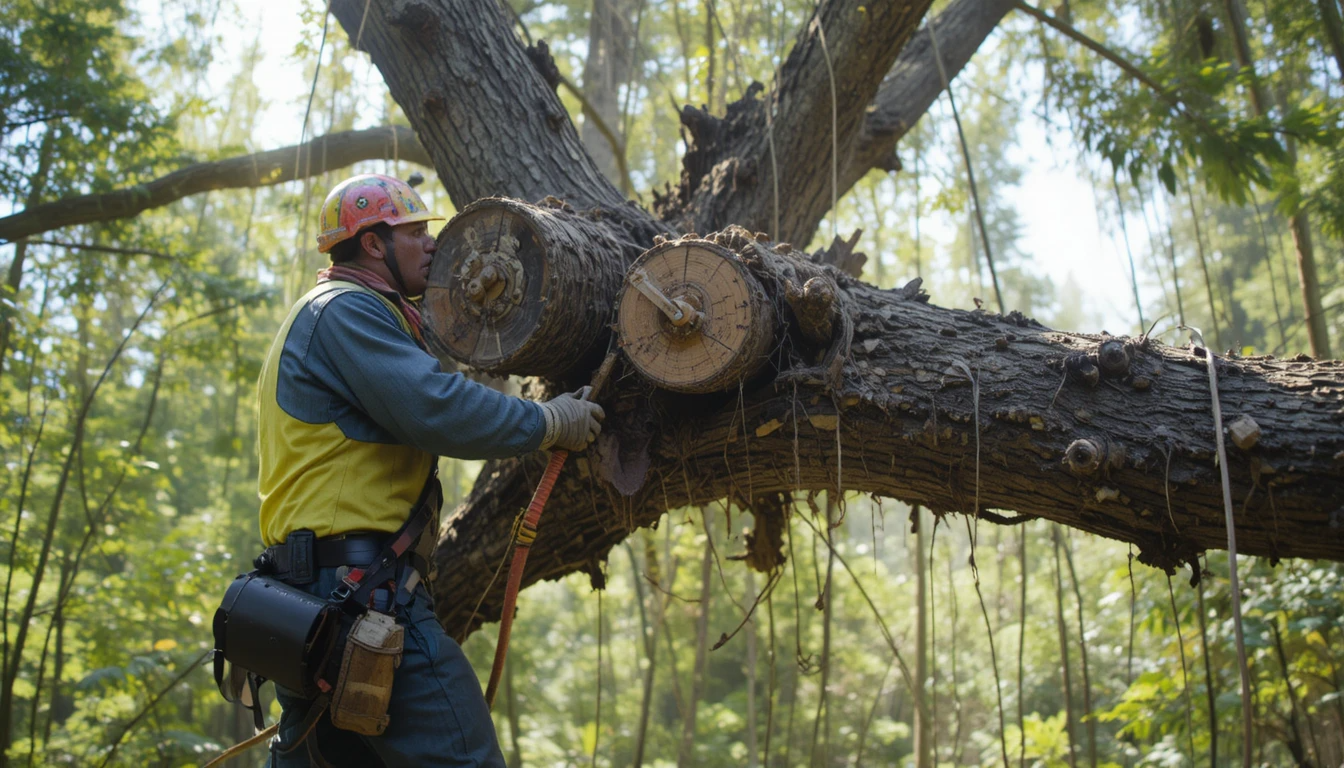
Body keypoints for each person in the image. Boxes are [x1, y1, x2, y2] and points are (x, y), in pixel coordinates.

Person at [256, 173, 603, 766]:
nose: (433, 243)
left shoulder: (331, 317)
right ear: (373, 244)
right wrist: (548, 421)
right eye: (415, 231)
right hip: (359, 597)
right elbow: (435, 407)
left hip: (313, 603)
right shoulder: (344, 311)